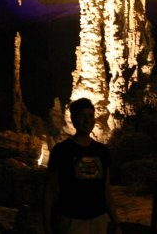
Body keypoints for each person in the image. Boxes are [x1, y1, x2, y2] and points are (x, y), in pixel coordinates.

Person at [43, 98, 122, 234]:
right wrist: (47, 225)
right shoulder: (61, 151)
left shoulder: (102, 151)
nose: (87, 120)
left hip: (99, 220)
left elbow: (106, 189)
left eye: (90, 116)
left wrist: (116, 222)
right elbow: (50, 190)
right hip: (71, 222)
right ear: (73, 119)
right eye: (82, 116)